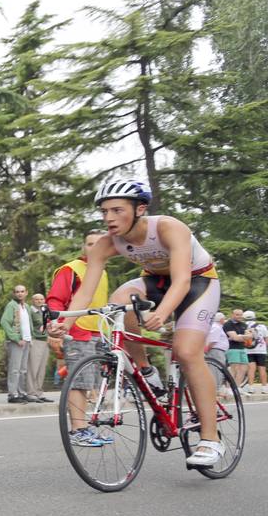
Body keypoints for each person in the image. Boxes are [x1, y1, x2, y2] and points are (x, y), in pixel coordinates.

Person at [63, 178, 225, 466]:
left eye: (116, 210)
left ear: (140, 209)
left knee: (187, 352)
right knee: (119, 301)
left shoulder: (168, 227)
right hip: (156, 281)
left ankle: (211, 439)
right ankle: (146, 369)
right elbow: (85, 291)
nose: (109, 218)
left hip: (198, 282)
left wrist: (162, 314)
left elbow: (183, 280)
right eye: (104, 212)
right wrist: (65, 320)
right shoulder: (105, 243)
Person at [45, 230, 112, 444]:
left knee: (93, 384)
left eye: (98, 244)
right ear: (83, 246)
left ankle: (88, 428)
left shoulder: (102, 271)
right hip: (77, 332)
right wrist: (56, 326)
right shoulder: (71, 269)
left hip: (98, 332)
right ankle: (78, 430)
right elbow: (55, 300)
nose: (93, 248)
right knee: (79, 382)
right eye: (89, 243)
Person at [0, 285, 34, 404]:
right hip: (16, 342)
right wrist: (15, 338)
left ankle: (21, 393)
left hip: (27, 341)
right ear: (14, 293)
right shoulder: (12, 305)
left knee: (23, 369)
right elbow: (4, 322)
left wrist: (30, 337)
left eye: (22, 291)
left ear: (26, 293)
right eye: (17, 292)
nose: (20, 294)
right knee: (15, 369)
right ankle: (12, 394)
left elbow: (28, 323)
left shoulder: (26, 306)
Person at [25, 291, 53, 403]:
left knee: (41, 369)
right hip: (35, 341)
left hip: (45, 341)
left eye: (41, 299)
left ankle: (39, 392)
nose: (39, 301)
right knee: (33, 368)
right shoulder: (30, 311)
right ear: (33, 301)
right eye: (37, 299)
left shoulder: (44, 311)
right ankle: (31, 393)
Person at [205, 313, 232, 400]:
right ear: (221, 320)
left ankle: (216, 389)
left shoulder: (217, 327)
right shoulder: (216, 327)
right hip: (216, 351)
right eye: (224, 319)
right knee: (216, 370)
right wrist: (206, 350)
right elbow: (213, 341)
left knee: (218, 370)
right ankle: (215, 390)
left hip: (218, 350)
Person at [223, 308, 251, 391]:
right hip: (232, 348)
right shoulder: (228, 324)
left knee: (244, 368)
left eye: (241, 315)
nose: (239, 316)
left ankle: (237, 388)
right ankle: (228, 388)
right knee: (234, 368)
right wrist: (243, 337)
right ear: (232, 315)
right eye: (237, 314)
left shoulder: (244, 324)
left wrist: (240, 337)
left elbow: (250, 337)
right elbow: (234, 338)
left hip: (242, 348)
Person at [245, 310, 268, 394]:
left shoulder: (243, 326)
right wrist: (264, 347)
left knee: (251, 369)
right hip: (261, 351)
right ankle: (264, 388)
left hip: (248, 350)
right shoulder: (261, 326)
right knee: (262, 368)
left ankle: (251, 387)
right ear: (254, 317)